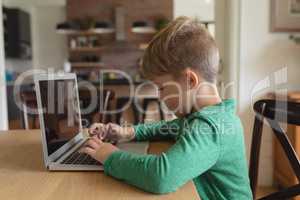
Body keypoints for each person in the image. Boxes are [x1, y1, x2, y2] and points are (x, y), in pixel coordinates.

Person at [80, 16, 252, 200]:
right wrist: (127, 132)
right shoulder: (204, 117)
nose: (160, 96)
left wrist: (109, 155)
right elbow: (165, 127)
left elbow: (161, 177)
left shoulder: (210, 127)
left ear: (190, 80)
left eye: (162, 87)